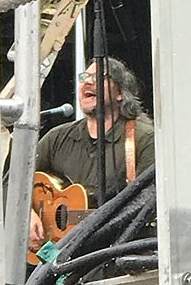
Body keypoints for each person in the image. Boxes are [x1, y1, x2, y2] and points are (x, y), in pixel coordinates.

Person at [29, 56, 155, 251]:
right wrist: (26, 216)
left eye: (99, 77)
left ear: (120, 92)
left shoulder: (143, 139)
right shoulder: (57, 138)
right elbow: (13, 181)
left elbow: (152, 200)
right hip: (58, 258)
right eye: (84, 77)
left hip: (117, 255)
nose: (87, 81)